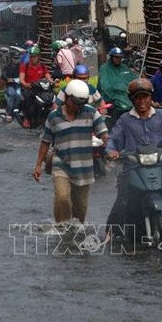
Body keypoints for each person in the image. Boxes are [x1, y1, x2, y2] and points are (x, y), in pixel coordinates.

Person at [105, 78, 162, 230]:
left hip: (160, 169)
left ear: (151, 98)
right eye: (138, 98)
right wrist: (111, 151)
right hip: (132, 170)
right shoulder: (125, 120)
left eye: (145, 97)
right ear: (132, 100)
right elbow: (113, 139)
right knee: (121, 205)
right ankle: (110, 234)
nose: (142, 101)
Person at [32, 79, 109, 224]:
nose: (77, 107)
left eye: (80, 104)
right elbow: (45, 142)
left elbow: (104, 133)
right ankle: (62, 227)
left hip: (84, 168)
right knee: (62, 198)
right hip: (61, 165)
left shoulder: (91, 113)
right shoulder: (53, 117)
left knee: (80, 207)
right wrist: (38, 165)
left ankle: (76, 229)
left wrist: (110, 148)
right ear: (67, 98)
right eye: (74, 103)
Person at [97, 47, 136, 127]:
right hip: (113, 98)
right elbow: (105, 87)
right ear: (111, 57)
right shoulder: (105, 68)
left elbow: (133, 79)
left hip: (127, 96)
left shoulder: (124, 67)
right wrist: (117, 95)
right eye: (116, 57)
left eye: (120, 57)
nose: (118, 59)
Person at [19, 46, 54, 128]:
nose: (32, 58)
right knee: (28, 97)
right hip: (29, 88)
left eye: (34, 56)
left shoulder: (42, 67)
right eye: (31, 56)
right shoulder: (25, 66)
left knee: (52, 96)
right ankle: (26, 118)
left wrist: (53, 82)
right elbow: (21, 79)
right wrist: (25, 84)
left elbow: (48, 77)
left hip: (40, 88)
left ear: (39, 57)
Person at [1, 49, 23, 122]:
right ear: (11, 58)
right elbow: (3, 75)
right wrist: (8, 79)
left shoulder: (20, 66)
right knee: (13, 94)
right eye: (15, 58)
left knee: (20, 95)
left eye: (18, 58)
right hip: (10, 86)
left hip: (19, 85)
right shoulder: (6, 66)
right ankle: (9, 113)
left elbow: (24, 73)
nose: (16, 60)